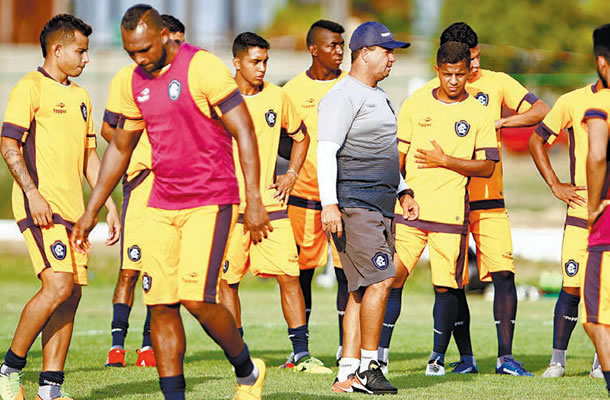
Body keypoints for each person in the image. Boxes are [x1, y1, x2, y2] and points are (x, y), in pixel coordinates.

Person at [70, 5, 270, 400]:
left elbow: (244, 129)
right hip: (160, 205)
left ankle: (247, 371)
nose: (138, 59)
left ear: (165, 35)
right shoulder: (133, 81)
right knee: (160, 304)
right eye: (130, 52)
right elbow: (119, 150)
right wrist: (90, 209)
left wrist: (255, 198)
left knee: (196, 298)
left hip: (211, 200)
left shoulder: (202, 67)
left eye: (144, 49)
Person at [379, 22, 549, 376]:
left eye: (470, 59)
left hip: (486, 199)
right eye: (455, 64)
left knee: (502, 274)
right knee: (451, 281)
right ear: (442, 64)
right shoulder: (425, 95)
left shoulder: (495, 84)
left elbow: (540, 111)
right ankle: (465, 357)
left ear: (476, 55)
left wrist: (498, 124)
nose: (465, 70)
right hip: (440, 204)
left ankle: (505, 357)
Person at [0, 14, 120, 400]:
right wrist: (32, 193)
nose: (86, 59)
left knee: (72, 295)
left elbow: (90, 156)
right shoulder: (29, 88)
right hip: (40, 206)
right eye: (80, 51)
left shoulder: (82, 97)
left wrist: (108, 204)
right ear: (57, 49)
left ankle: (50, 389)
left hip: (74, 212)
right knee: (57, 285)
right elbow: (9, 146)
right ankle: (8, 372)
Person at [219, 32, 329, 373]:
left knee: (289, 276)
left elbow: (301, 136)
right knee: (228, 281)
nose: (262, 68)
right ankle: (238, 356)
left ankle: (301, 354)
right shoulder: (218, 100)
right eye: (255, 61)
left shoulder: (278, 97)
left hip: (272, 204)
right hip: (229, 208)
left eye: (265, 61)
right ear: (236, 62)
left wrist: (292, 172)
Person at [318, 21, 416, 395]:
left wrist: (403, 190)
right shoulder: (343, 95)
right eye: (386, 51)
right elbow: (326, 149)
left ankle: (347, 371)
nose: (392, 58)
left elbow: (385, 151)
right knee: (381, 279)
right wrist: (330, 203)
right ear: (364, 54)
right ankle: (371, 366)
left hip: (380, 206)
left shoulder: (379, 95)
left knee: (360, 290)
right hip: (356, 205)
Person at [390, 41, 498, 377]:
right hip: (409, 210)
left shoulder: (479, 113)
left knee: (445, 286)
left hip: (450, 216)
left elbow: (488, 166)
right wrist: (401, 193)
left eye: (460, 74)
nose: (453, 81)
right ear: (437, 70)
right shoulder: (414, 103)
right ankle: (377, 353)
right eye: (448, 74)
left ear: (469, 72)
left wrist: (445, 161)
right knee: (392, 279)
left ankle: (436, 358)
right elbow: (397, 157)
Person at [102, 13, 186, 370]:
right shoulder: (128, 77)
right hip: (140, 185)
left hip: (176, 188)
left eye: (182, 42)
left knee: (164, 269)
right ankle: (116, 345)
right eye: (174, 41)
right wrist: (140, 151)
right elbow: (109, 130)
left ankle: (148, 345)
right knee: (129, 270)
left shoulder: (187, 78)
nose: (178, 48)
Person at [529, 25, 608, 378]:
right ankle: (557, 360)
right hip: (581, 214)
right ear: (601, 62)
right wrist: (555, 184)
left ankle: (598, 362)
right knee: (571, 285)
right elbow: (536, 140)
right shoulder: (574, 101)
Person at [282, 19, 350, 364]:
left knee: (345, 273)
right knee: (300, 273)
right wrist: (293, 171)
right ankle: (301, 351)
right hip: (304, 198)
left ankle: (345, 349)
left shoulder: (352, 87)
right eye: (332, 45)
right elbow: (283, 140)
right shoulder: (291, 91)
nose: (339, 51)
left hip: (344, 199)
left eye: (342, 45)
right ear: (313, 49)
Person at [582, 23, 610, 396]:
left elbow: (598, 154)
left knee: (596, 320)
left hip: (608, 228)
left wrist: (591, 207)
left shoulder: (601, 104)